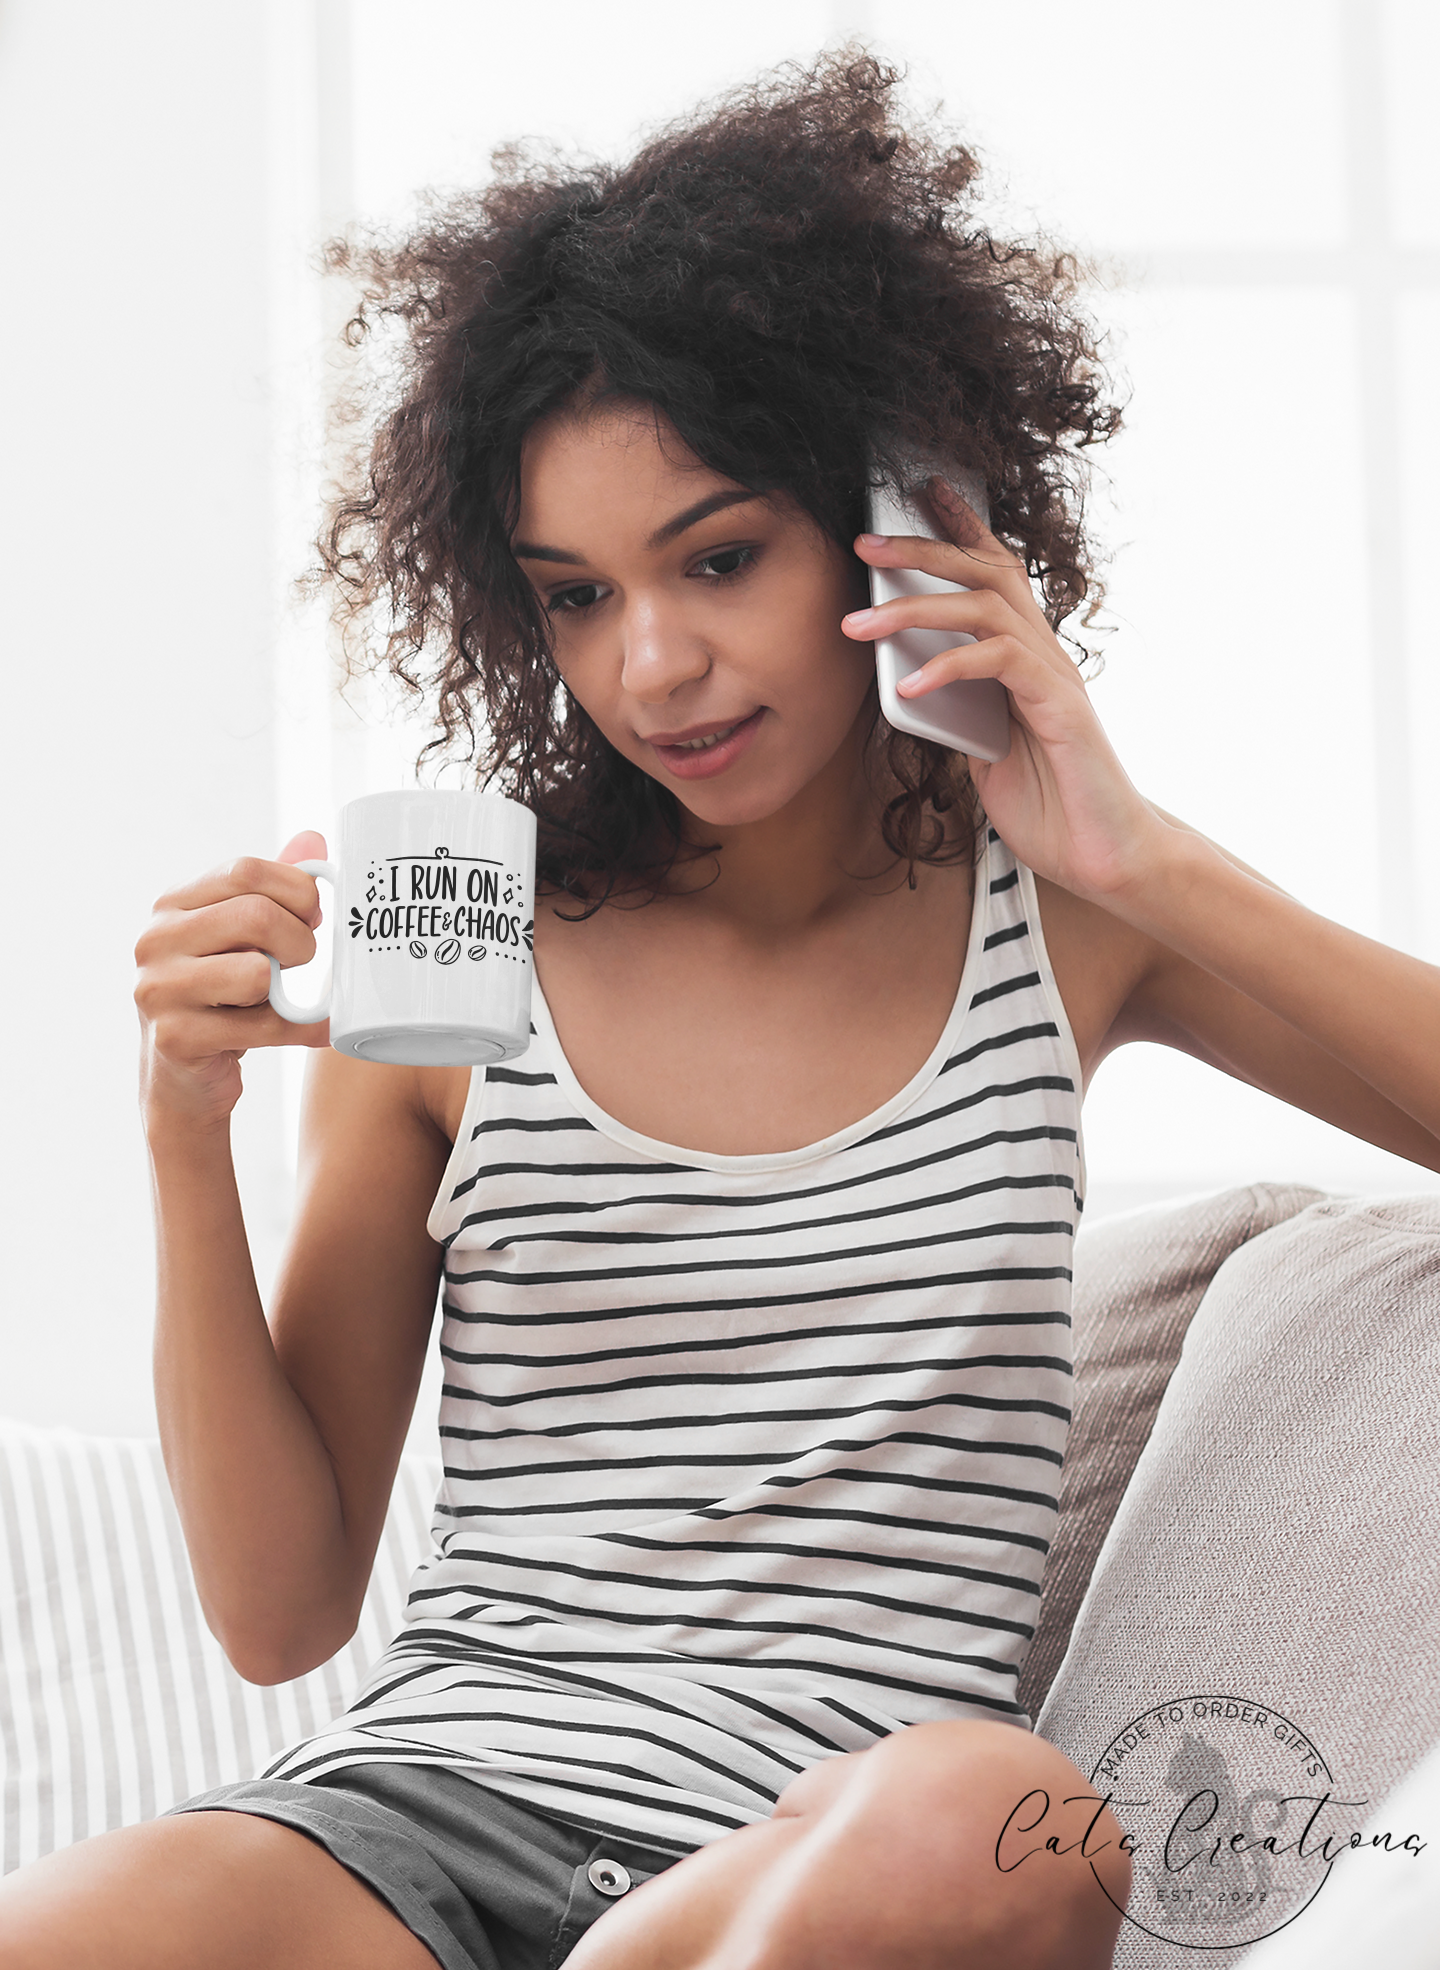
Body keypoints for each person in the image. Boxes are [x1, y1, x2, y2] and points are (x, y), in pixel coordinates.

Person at [4, 49, 1438, 1970]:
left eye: (720, 558)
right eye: (577, 596)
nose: (653, 665)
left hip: (831, 1849)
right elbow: (278, 1617)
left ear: (892, 515)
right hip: (422, 1816)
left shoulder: (1075, 923)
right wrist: (186, 1138)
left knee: (1016, 1822)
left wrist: (1138, 847)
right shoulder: (465, 957)